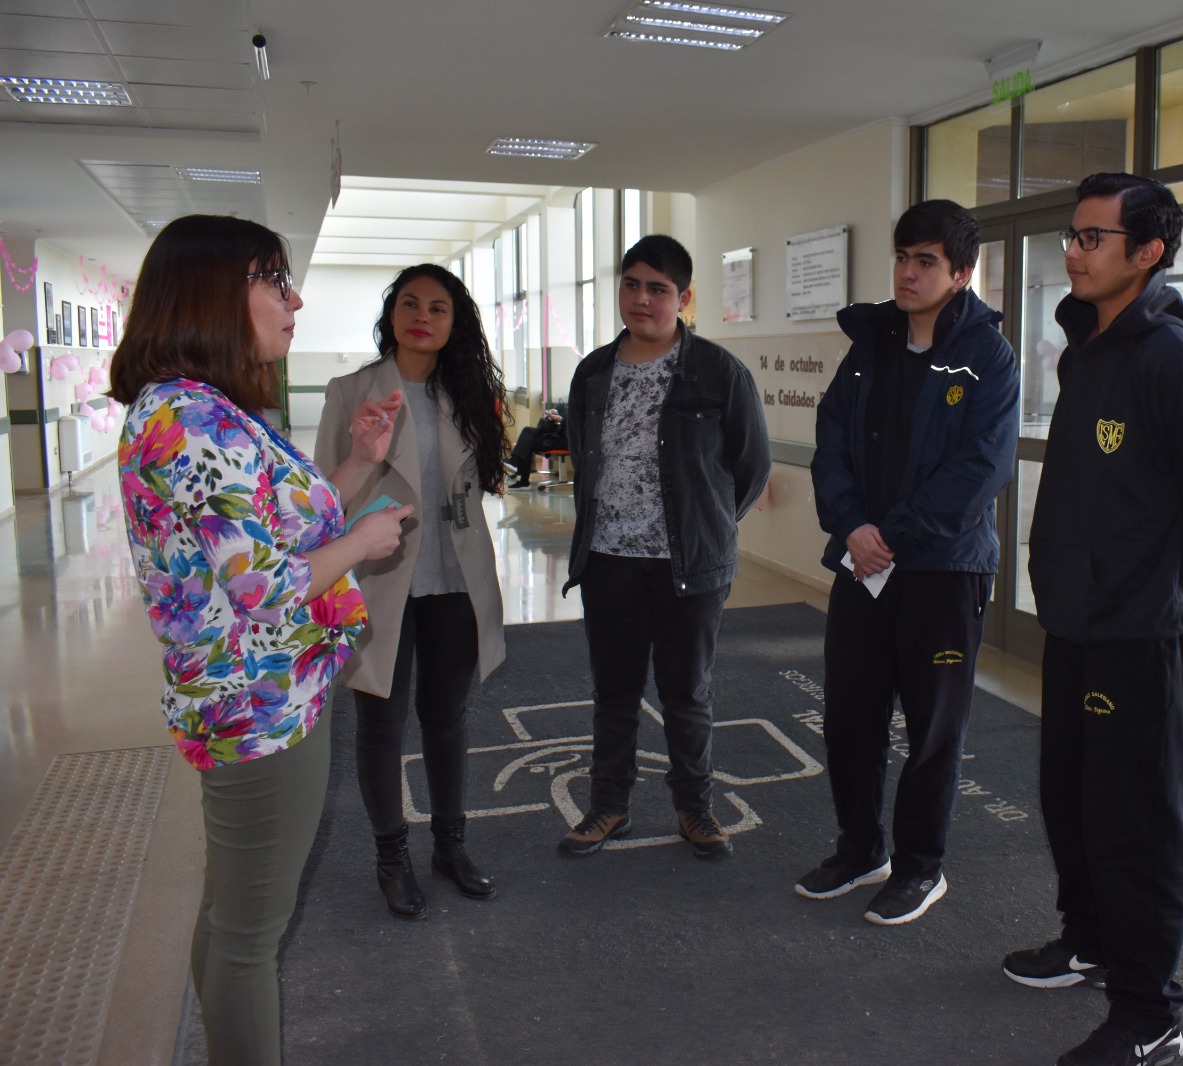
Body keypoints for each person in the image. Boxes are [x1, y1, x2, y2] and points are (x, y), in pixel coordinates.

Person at [111, 214, 410, 1065]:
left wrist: (355, 465)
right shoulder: (191, 420)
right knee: (249, 937)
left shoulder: (196, 408)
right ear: (213, 291)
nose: (295, 300)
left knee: (230, 915)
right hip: (258, 706)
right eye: (273, 282)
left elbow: (269, 536)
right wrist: (363, 542)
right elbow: (267, 585)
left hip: (252, 694)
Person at [1005, 173, 1183, 1066]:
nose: (1074, 250)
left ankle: (1151, 1010)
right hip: (1073, 621)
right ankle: (1088, 941)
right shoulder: (1086, 348)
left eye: (1094, 238)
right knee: (1068, 799)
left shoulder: (1173, 364)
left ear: (1147, 252)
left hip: (1139, 634)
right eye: (1073, 235)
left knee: (1134, 822)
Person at [797, 199, 1019, 925]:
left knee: (932, 730)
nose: (908, 272)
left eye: (925, 260)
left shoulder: (987, 354)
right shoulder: (872, 347)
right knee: (850, 717)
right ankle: (862, 849)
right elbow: (831, 443)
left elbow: (980, 468)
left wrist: (886, 536)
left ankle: (923, 867)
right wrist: (852, 525)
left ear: (960, 272)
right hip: (862, 566)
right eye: (902, 257)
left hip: (942, 572)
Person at [558, 234, 771, 860]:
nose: (642, 299)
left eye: (657, 289)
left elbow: (750, 465)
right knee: (615, 694)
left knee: (687, 695)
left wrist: (708, 528)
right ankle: (609, 807)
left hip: (689, 568)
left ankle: (694, 808)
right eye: (631, 285)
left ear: (683, 297)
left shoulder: (717, 371)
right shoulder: (593, 372)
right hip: (608, 563)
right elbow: (581, 455)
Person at [315, 263, 510, 919]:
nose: (421, 315)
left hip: (454, 577)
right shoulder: (352, 391)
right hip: (382, 576)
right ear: (391, 314)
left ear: (456, 324)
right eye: (409, 303)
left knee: (447, 717)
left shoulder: (467, 390)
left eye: (438, 307)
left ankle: (450, 847)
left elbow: (478, 483)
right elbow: (324, 495)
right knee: (381, 719)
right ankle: (391, 855)